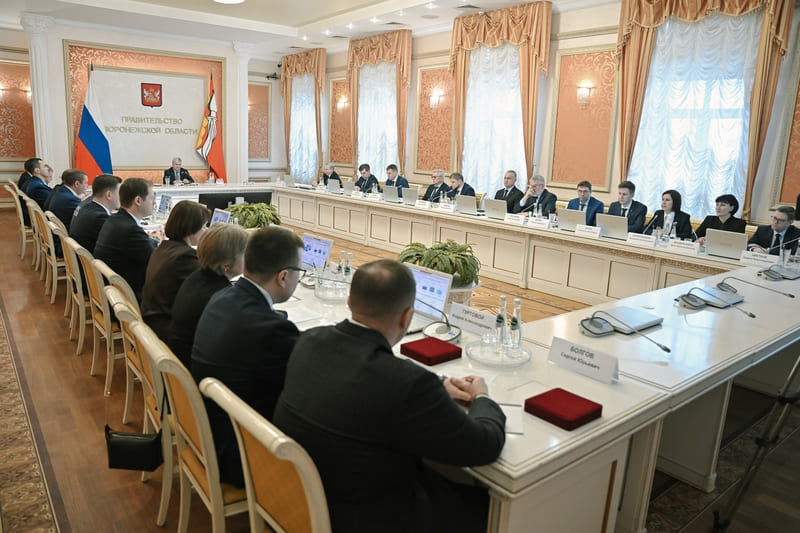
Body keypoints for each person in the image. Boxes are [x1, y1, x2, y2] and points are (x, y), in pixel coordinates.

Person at [274, 259, 505, 533]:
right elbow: (484, 446)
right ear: (407, 317)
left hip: (299, 501)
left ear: (349, 302)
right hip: (366, 518)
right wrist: (482, 398)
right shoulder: (407, 383)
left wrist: (438, 386)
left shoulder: (309, 341)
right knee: (492, 508)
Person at [192, 226, 304, 488]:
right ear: (283, 277)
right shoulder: (271, 330)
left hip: (205, 430)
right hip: (241, 452)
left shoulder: (222, 296)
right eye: (300, 272)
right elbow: (303, 383)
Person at [168, 223, 249, 368]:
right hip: (193, 369)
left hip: (179, 358)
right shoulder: (220, 296)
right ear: (226, 265)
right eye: (244, 254)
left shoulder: (196, 277)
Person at [140, 201, 211, 341]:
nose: (206, 231)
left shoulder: (164, 248)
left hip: (153, 321)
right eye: (204, 227)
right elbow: (205, 292)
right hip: (167, 331)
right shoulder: (184, 257)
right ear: (191, 228)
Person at [93, 177, 158, 302]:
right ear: (138, 200)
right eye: (151, 198)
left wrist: (154, 240)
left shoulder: (115, 220)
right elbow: (157, 261)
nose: (154, 202)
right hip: (129, 299)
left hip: (113, 292)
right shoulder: (130, 230)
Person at [69, 174, 122, 253]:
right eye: (120, 193)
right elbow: (121, 242)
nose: (123, 197)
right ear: (109, 195)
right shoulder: (99, 217)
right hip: (93, 258)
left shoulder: (87, 205)